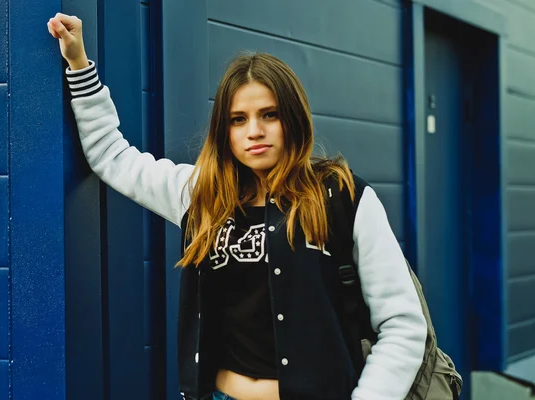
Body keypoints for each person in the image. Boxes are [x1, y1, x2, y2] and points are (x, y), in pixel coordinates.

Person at [48, 13, 428, 400]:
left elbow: (402, 324)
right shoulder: (201, 195)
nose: (254, 131)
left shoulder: (342, 196)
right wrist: (79, 63)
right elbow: (111, 156)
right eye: (237, 119)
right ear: (223, 130)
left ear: (293, 119)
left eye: (269, 115)